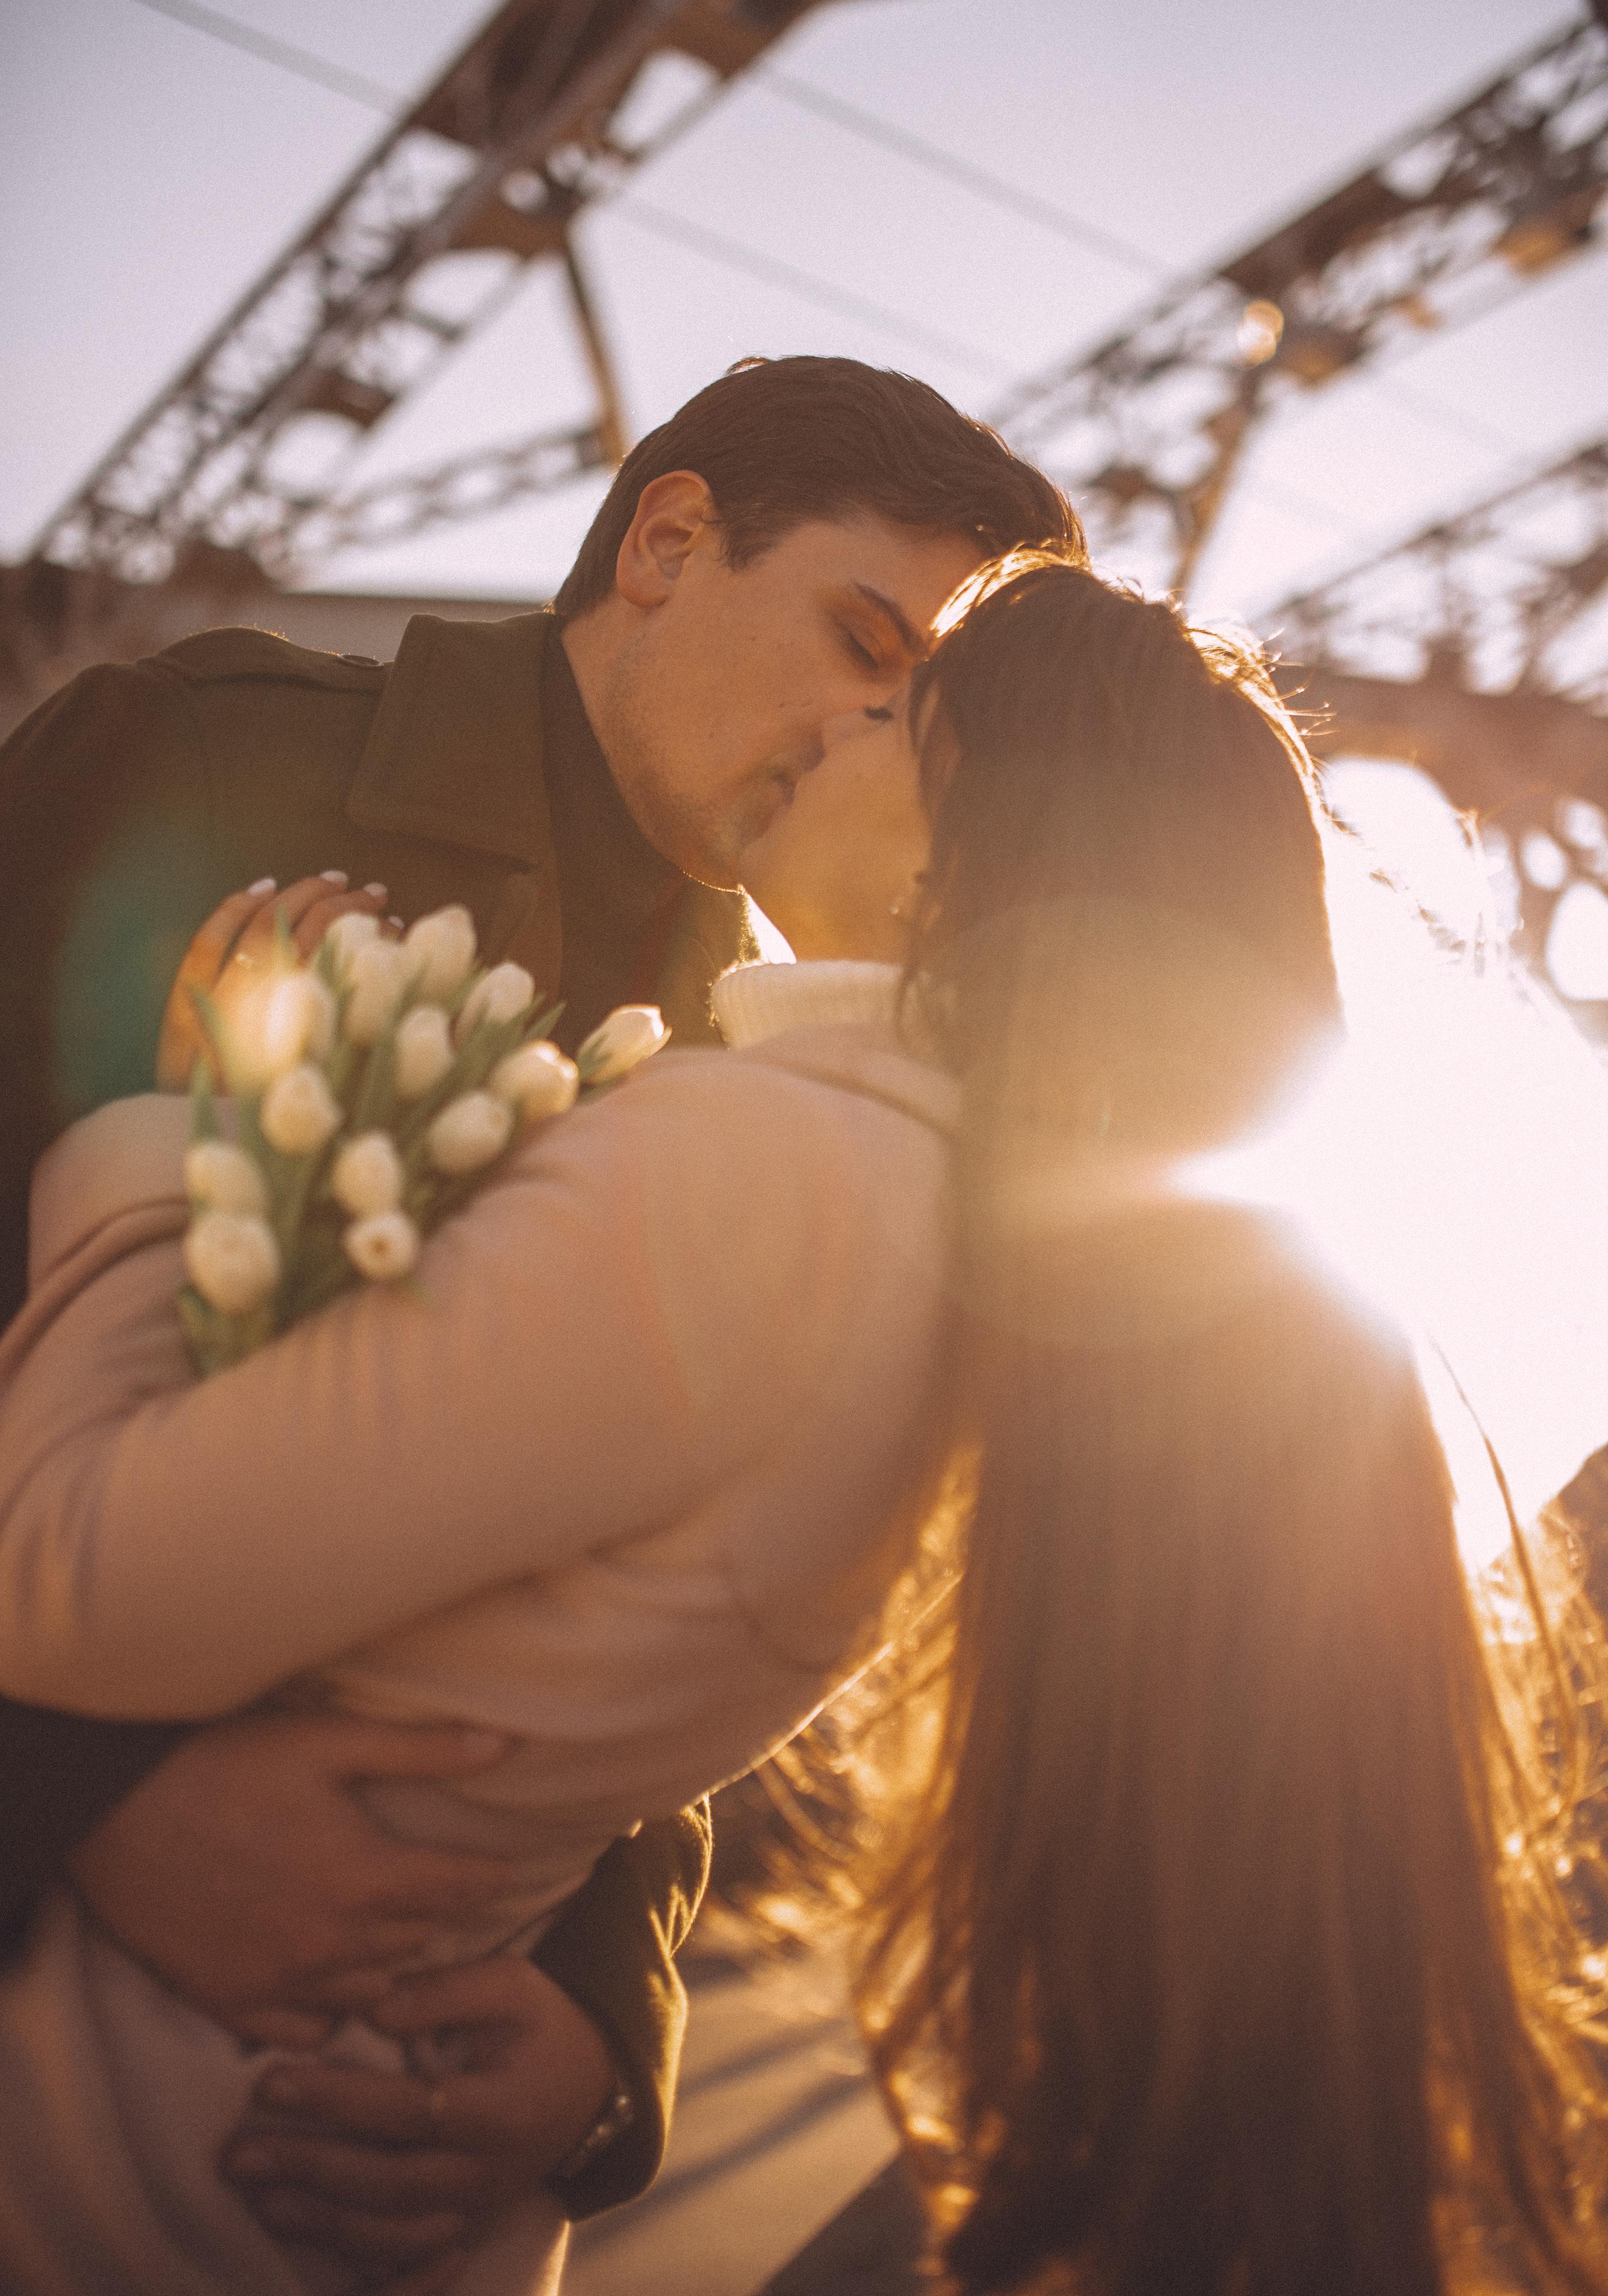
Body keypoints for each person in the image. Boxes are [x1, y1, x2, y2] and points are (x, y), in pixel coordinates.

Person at [2, 556, 1605, 2296]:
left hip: (105, 2155)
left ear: (964, 853)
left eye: (894, 703)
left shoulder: (780, 1174)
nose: (837, 721)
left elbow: (61, 1570)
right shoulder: (957, 1249)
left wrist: (177, 1132)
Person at [0, 355, 1076, 2273]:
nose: (867, 721)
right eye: (859, 635)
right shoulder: (196, 759)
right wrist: (84, 1799)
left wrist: (597, 2043)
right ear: (668, 540)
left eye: (916, 702)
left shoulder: (774, 1060)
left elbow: (626, 1630)